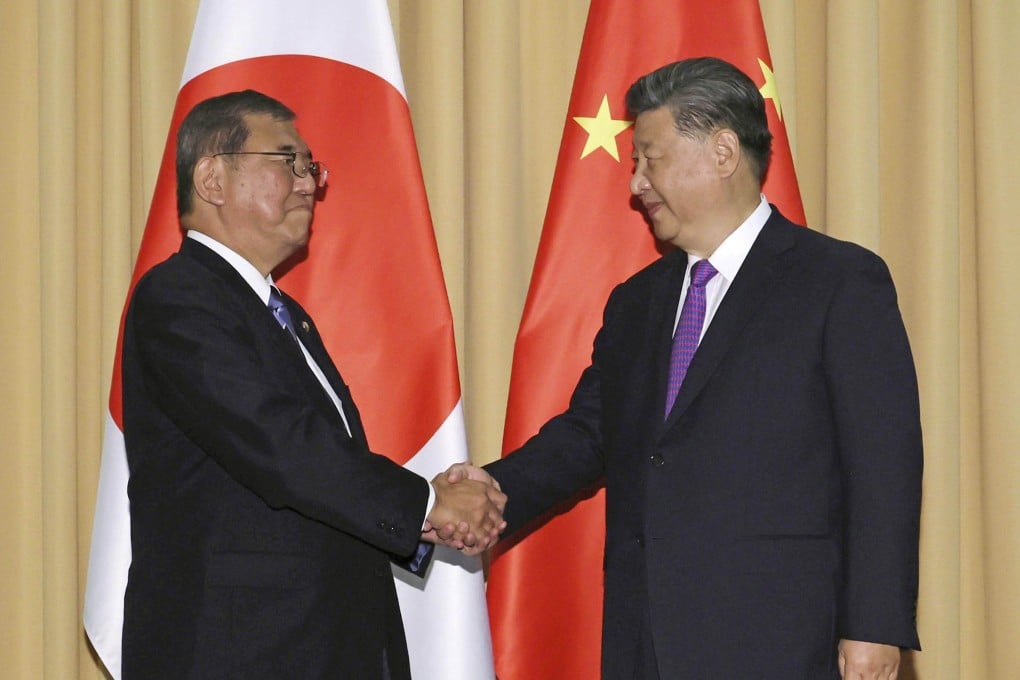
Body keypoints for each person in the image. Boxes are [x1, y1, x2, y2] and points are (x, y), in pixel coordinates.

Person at [449, 57, 922, 679]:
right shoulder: (636, 301)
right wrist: (491, 487)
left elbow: (882, 463)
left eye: (651, 157)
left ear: (723, 151)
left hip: (784, 639)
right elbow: (592, 432)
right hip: (646, 639)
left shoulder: (838, 282)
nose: (636, 183)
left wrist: (872, 626)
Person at [120, 89, 505, 679]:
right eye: (287, 162)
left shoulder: (284, 314)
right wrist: (426, 502)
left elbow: (321, 470)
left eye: (311, 168)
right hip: (235, 651)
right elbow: (281, 444)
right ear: (212, 178)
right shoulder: (178, 298)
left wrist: (422, 514)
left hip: (318, 644)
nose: (308, 183)